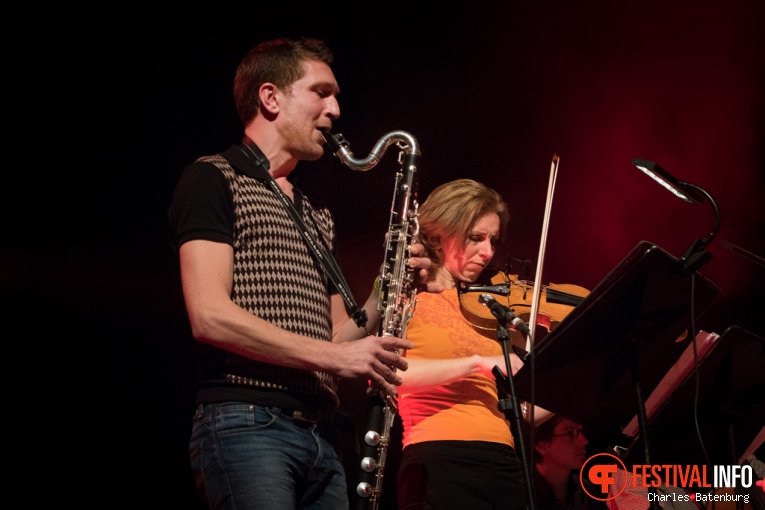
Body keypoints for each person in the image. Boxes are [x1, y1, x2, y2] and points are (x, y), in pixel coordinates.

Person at [167, 37, 435, 510]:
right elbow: (209, 315)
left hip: (320, 435)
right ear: (271, 97)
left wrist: (385, 288)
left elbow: (335, 339)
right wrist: (334, 359)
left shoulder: (315, 212)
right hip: (247, 422)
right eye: (321, 92)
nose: (334, 109)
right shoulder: (213, 177)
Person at [395, 178, 529, 510]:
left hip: (505, 461)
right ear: (441, 230)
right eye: (476, 238)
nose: (488, 253)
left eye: (493, 241)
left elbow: (519, 412)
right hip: (440, 459)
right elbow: (382, 373)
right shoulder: (407, 291)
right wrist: (476, 364)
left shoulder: (487, 307)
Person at [528, 414, 606, 510]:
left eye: (580, 431)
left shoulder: (585, 490)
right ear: (542, 445)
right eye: (570, 433)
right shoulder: (520, 495)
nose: (584, 441)